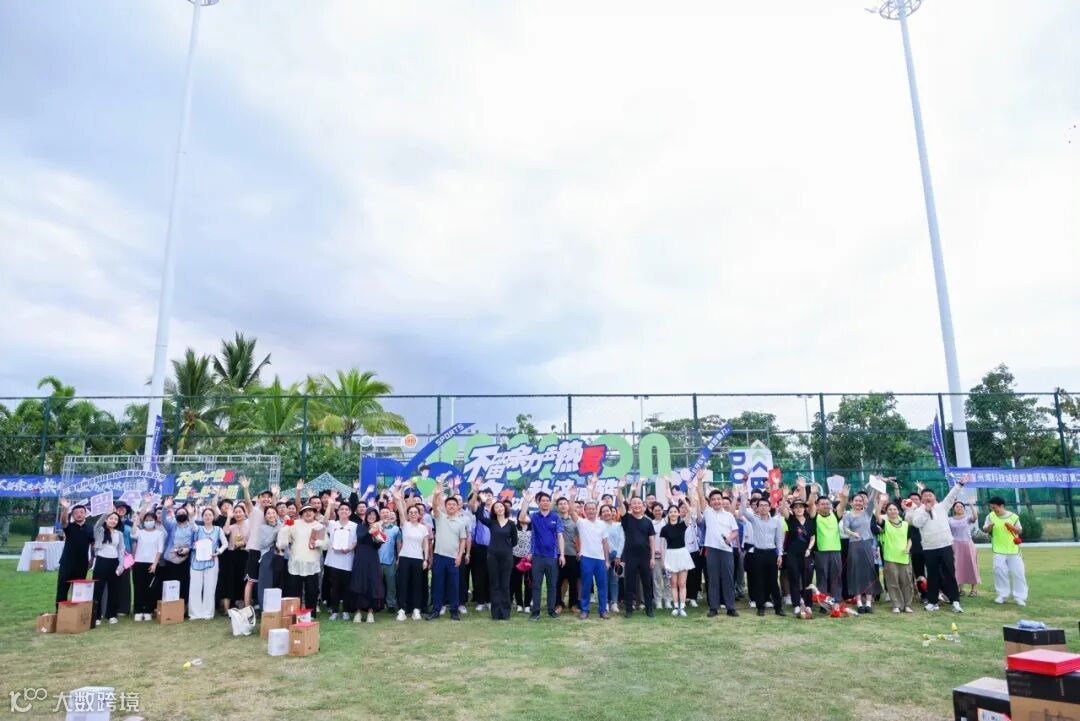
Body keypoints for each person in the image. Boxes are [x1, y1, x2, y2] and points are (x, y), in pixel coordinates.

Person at [907, 479, 966, 612]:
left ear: (934, 497)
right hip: (929, 548)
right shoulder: (918, 510)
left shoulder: (942, 507)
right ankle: (932, 602)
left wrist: (960, 484)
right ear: (922, 499)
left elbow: (951, 495)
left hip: (945, 545)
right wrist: (926, 511)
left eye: (930, 495)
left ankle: (955, 601)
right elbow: (917, 523)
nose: (928, 497)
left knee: (949, 573)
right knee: (932, 575)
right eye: (925, 496)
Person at [276, 480, 328, 615]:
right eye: (305, 511)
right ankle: (294, 613)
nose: (308, 513)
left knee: (312, 590)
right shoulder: (294, 524)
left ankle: (310, 614)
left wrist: (316, 543)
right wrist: (285, 528)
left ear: (315, 513)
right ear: (301, 513)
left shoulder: (319, 526)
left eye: (311, 511)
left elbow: (325, 544)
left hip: (312, 564)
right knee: (294, 591)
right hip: (295, 563)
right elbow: (282, 542)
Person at [694, 474, 739, 618]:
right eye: (713, 499)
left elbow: (735, 531)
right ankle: (713, 607)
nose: (716, 501)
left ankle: (730, 607)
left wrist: (729, 539)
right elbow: (700, 496)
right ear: (710, 501)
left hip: (726, 550)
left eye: (718, 499)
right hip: (712, 549)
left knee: (728, 579)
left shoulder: (729, 515)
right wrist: (699, 480)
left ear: (722, 500)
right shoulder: (708, 512)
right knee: (713, 578)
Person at [737, 486, 786, 617]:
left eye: (766, 505)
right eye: (761, 506)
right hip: (758, 553)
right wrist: (743, 497)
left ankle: (778, 607)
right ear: (757, 508)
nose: (763, 507)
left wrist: (780, 554)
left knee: (773, 581)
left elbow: (779, 539)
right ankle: (760, 607)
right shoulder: (754, 519)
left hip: (771, 553)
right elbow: (743, 511)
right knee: (759, 581)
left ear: (770, 507)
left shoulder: (776, 522)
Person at [519, 489, 565, 621]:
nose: (545, 503)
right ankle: (535, 613)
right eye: (543, 501)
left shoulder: (555, 517)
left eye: (547, 500)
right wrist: (526, 502)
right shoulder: (534, 516)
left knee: (552, 586)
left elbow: (560, 536)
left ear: (550, 503)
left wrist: (562, 555)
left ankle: (551, 611)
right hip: (537, 556)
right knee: (536, 586)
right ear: (538, 503)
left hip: (552, 557)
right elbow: (522, 518)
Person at [427, 476, 469, 621]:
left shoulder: (461, 522)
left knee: (454, 585)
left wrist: (459, 556)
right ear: (445, 507)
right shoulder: (440, 517)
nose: (451, 506)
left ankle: (454, 611)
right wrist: (436, 494)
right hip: (439, 556)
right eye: (449, 504)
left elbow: (463, 540)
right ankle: (436, 610)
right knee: (437, 584)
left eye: (453, 504)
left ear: (458, 507)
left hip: (453, 558)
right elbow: (434, 507)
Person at [239, 476, 278, 610]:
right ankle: (247, 608)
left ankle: (264, 606)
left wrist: (275, 495)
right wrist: (246, 489)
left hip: (269, 551)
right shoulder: (255, 511)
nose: (266, 499)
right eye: (263, 497)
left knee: (265, 580)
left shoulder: (271, 513)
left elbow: (275, 506)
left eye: (268, 497)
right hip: (255, 550)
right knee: (251, 580)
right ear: (259, 498)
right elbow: (247, 502)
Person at [572, 484, 610, 619]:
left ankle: (603, 610)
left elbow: (605, 543)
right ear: (585, 511)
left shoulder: (602, 524)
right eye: (588, 509)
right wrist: (572, 496)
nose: (591, 511)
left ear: (596, 510)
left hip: (600, 559)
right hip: (586, 558)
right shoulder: (581, 522)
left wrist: (607, 560)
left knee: (602, 585)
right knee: (586, 585)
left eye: (593, 509)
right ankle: (585, 610)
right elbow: (571, 511)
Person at [392, 487, 431, 620]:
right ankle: (402, 610)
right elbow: (400, 511)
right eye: (411, 512)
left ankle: (416, 609)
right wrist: (398, 499)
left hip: (418, 559)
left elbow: (426, 544)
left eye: (415, 512)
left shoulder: (423, 528)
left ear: (419, 515)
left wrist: (426, 559)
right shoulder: (405, 525)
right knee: (403, 584)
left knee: (417, 585)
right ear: (408, 515)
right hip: (404, 558)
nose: (413, 514)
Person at [618, 484, 656, 618]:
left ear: (643, 506)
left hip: (645, 556)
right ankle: (629, 610)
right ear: (630, 506)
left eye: (639, 503)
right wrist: (620, 489)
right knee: (629, 584)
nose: (637, 505)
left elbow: (652, 540)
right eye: (634, 503)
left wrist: (652, 557)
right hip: (630, 556)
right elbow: (620, 504)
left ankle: (649, 609)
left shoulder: (648, 522)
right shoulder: (627, 519)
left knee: (647, 583)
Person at [839, 490, 880, 614]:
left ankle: (868, 602)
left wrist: (875, 488)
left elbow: (872, 499)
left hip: (867, 544)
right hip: (854, 545)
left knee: (868, 572)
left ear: (863, 502)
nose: (858, 503)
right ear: (851, 502)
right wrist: (853, 533)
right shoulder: (848, 515)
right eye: (856, 501)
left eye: (860, 501)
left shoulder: (867, 513)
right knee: (855, 572)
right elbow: (845, 528)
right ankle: (859, 602)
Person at [808, 483, 847, 610]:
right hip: (821, 552)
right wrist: (813, 493)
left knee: (836, 578)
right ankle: (823, 604)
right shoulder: (815, 516)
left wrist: (844, 497)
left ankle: (836, 602)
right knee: (822, 579)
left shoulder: (835, 515)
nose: (825, 505)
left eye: (827, 503)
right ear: (818, 506)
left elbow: (842, 505)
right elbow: (810, 505)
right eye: (822, 504)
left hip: (836, 551)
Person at [477, 497, 517, 620]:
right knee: (494, 584)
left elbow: (515, 541)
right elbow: (479, 516)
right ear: (493, 511)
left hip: (507, 557)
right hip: (492, 556)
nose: (499, 508)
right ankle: (495, 612)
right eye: (496, 507)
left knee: (504, 584)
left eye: (501, 506)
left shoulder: (511, 524)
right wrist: (483, 502)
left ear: (505, 509)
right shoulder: (492, 522)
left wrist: (505, 548)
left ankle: (505, 612)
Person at [983, 496, 1028, 606]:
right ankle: (1002, 595)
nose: (993, 509)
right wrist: (989, 527)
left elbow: (1020, 531)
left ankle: (1020, 597)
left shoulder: (1013, 517)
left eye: (994, 507)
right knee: (999, 572)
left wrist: (1011, 527)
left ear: (1002, 506)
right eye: (991, 507)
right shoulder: (990, 516)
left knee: (1018, 573)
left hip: (1013, 550)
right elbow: (985, 529)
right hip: (998, 550)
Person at [129, 496, 165, 622]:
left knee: (150, 588)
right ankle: (138, 610)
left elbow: (160, 550)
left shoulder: (159, 533)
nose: (149, 521)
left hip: (152, 563)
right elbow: (133, 534)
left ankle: (148, 610)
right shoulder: (140, 532)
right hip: (139, 563)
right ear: (144, 521)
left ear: (155, 521)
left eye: (151, 520)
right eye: (147, 520)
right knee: (139, 587)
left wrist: (154, 564)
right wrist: (135, 521)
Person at [779, 494, 815, 616]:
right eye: (796, 507)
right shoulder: (791, 519)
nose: (799, 509)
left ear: (804, 508)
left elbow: (813, 538)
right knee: (794, 579)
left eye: (801, 507)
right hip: (792, 554)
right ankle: (796, 604)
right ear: (793, 509)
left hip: (806, 554)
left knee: (807, 580)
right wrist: (784, 497)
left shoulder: (810, 521)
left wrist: (809, 549)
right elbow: (782, 509)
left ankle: (808, 604)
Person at [189, 507, 227, 620]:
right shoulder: (198, 528)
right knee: (195, 587)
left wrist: (218, 552)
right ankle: (195, 613)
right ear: (202, 517)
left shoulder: (218, 529)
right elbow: (192, 524)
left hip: (212, 560)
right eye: (205, 515)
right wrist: (192, 514)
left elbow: (225, 543)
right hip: (197, 561)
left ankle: (208, 612)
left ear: (213, 517)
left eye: (210, 515)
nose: (207, 517)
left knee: (210, 587)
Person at [877, 501, 915, 613]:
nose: (892, 511)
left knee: (906, 582)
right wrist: (880, 503)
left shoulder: (906, 524)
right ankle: (896, 605)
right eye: (890, 509)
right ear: (886, 512)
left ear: (898, 511)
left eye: (894, 509)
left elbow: (909, 539)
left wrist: (907, 548)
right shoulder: (885, 523)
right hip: (890, 557)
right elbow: (877, 515)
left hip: (904, 557)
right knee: (892, 582)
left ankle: (907, 605)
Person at [56, 498, 95, 606]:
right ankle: (60, 611)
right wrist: (65, 508)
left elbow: (93, 544)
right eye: (76, 513)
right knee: (62, 588)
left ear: (85, 514)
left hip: (82, 564)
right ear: (72, 515)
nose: (79, 514)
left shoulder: (90, 529)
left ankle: (76, 612)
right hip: (67, 563)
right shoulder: (69, 527)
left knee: (79, 589)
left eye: (81, 512)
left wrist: (92, 558)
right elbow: (63, 521)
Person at [351, 508, 386, 623]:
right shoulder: (360, 526)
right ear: (366, 516)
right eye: (369, 514)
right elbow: (360, 538)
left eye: (374, 515)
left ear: (377, 517)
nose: (371, 517)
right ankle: (358, 612)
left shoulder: (379, 528)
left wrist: (379, 538)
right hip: (361, 557)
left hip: (373, 558)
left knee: (372, 583)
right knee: (359, 582)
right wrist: (370, 531)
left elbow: (377, 545)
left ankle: (371, 611)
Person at [91, 508, 125, 626]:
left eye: (116, 519)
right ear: (106, 520)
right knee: (98, 589)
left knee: (114, 589)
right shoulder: (100, 530)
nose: (113, 521)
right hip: (101, 561)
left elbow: (121, 550)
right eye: (111, 518)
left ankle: (111, 615)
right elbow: (97, 524)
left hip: (114, 562)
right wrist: (106, 513)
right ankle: (97, 615)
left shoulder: (119, 534)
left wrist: (121, 565)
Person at [325, 500, 357, 621]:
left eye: (346, 509)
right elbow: (324, 521)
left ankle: (346, 611)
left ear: (350, 512)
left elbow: (355, 541)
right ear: (338, 512)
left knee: (346, 587)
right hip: (334, 561)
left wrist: (349, 549)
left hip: (347, 560)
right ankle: (334, 611)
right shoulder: (333, 524)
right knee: (335, 587)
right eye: (341, 509)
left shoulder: (354, 526)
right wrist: (330, 505)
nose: (344, 511)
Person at [659, 503, 693, 617]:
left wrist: (683, 500)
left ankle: (682, 607)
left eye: (675, 511)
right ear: (668, 514)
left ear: (678, 513)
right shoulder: (664, 529)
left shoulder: (683, 525)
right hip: (670, 555)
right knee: (673, 584)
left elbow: (690, 511)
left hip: (682, 554)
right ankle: (676, 606)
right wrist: (663, 560)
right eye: (671, 512)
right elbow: (662, 546)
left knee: (682, 583)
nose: (673, 514)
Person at [161, 498, 194, 607]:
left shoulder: (192, 527)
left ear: (187, 515)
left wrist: (188, 549)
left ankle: (183, 607)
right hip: (171, 558)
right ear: (175, 515)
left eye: (183, 513)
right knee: (171, 583)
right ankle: (171, 607)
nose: (181, 514)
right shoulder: (172, 525)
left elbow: (195, 540)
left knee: (185, 583)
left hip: (186, 559)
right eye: (178, 513)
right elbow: (163, 521)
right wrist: (165, 507)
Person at [219, 502, 249, 613]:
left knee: (243, 579)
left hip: (245, 554)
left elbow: (252, 539)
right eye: (235, 512)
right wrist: (228, 517)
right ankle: (229, 606)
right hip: (232, 555)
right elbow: (225, 531)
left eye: (240, 512)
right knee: (232, 579)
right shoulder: (232, 526)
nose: (238, 514)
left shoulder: (249, 526)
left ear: (244, 513)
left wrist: (243, 543)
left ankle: (243, 603)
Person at [467, 487, 492, 613]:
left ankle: (489, 600)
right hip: (479, 548)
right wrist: (476, 492)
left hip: (493, 549)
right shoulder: (479, 509)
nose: (487, 497)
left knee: (490, 575)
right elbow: (472, 505)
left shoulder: (496, 510)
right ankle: (480, 601)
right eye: (485, 495)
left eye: (489, 495)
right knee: (479, 575)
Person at [252, 505, 283, 609]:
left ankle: (277, 608)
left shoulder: (282, 525)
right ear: (265, 516)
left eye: (273, 513)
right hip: (267, 555)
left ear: (277, 514)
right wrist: (275, 532)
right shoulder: (262, 528)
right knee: (265, 582)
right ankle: (264, 608)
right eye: (268, 513)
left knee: (278, 582)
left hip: (281, 555)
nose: (271, 515)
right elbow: (263, 544)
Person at [555, 494, 580, 613]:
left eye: (565, 503)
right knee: (557, 581)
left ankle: (573, 605)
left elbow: (580, 537)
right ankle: (558, 604)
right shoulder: (554, 519)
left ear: (568, 506)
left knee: (573, 581)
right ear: (557, 507)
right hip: (556, 554)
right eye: (560, 504)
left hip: (572, 554)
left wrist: (579, 551)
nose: (563, 506)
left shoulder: (574, 521)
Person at [949, 500, 980, 597]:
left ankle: (974, 590)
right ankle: (961, 589)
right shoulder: (949, 520)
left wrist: (971, 505)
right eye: (957, 506)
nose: (959, 508)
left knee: (972, 565)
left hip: (967, 544)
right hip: (955, 545)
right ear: (953, 509)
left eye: (961, 506)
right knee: (957, 566)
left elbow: (975, 517)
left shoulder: (967, 518)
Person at [378, 506, 401, 614]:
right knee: (377, 584)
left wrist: (399, 558)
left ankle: (391, 604)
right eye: (383, 512)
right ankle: (378, 603)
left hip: (390, 560)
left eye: (387, 512)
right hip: (376, 560)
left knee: (391, 584)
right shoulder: (376, 527)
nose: (385, 514)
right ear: (379, 514)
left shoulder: (396, 529)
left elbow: (399, 544)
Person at [603, 502, 624, 613]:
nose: (607, 513)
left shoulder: (619, 525)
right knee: (604, 581)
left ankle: (614, 603)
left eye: (608, 511)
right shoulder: (599, 525)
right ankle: (605, 602)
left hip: (616, 556)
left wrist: (618, 555)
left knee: (614, 581)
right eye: (604, 511)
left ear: (613, 513)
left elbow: (622, 540)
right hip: (603, 556)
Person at [511, 513, 532, 614]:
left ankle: (527, 604)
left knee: (529, 582)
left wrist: (531, 555)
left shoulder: (533, 529)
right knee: (516, 581)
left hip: (529, 558)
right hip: (516, 557)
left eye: (527, 515)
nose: (525, 517)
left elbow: (535, 543)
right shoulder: (514, 528)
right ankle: (519, 603)